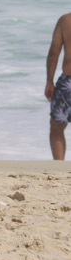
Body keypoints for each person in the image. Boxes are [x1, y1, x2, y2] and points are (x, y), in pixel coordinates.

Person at [45, 13, 71, 160]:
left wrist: (49, 81)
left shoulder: (66, 20)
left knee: (56, 127)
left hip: (68, 84)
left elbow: (54, 53)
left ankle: (59, 166)